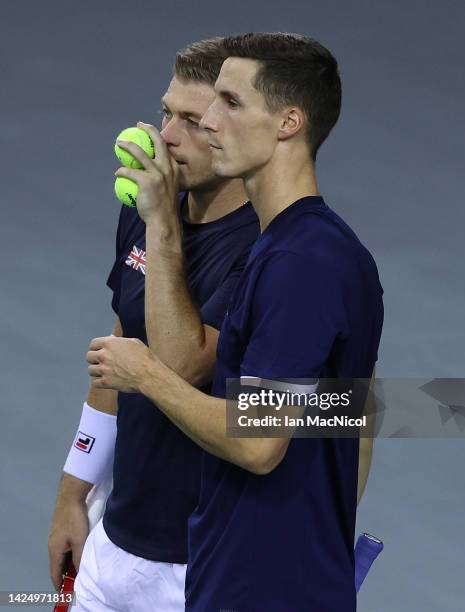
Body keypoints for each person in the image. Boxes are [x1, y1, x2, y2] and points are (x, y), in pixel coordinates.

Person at [86, 32, 384, 611]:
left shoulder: (301, 261)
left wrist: (145, 373)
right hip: (240, 568)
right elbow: (354, 405)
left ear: (288, 122)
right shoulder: (293, 249)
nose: (206, 124)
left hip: (260, 584)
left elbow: (258, 443)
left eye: (229, 104)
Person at [48, 37, 260, 612]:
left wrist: (162, 220)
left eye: (191, 121)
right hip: (113, 539)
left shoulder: (265, 251)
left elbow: (181, 365)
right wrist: (74, 492)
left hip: (201, 566)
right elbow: (120, 355)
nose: (165, 136)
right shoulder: (143, 210)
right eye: (166, 111)